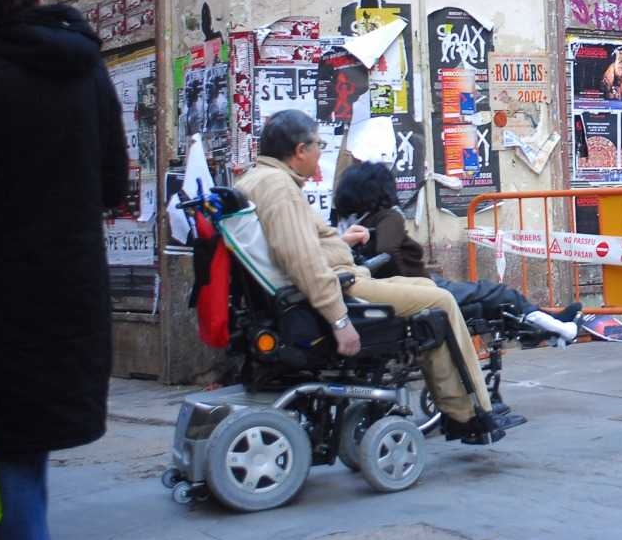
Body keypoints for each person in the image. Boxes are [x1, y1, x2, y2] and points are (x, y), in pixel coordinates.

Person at [235, 110, 525, 443]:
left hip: (342, 279)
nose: (319, 152)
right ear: (300, 150)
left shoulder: (255, 180)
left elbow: (294, 246)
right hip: (339, 289)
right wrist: (339, 321)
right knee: (440, 302)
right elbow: (301, 260)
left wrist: (339, 243)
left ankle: (459, 404)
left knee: (423, 287)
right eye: (317, 144)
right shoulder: (279, 189)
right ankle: (468, 414)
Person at [0, 0, 128, 540]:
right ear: (40, 1)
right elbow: (114, 184)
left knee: (11, 446)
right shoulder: (84, 69)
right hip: (66, 287)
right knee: (25, 443)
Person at [331, 162, 583, 343]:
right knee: (497, 292)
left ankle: (550, 323)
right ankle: (562, 329)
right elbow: (387, 252)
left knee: (488, 294)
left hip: (404, 286)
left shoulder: (348, 222)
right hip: (419, 288)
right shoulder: (388, 217)